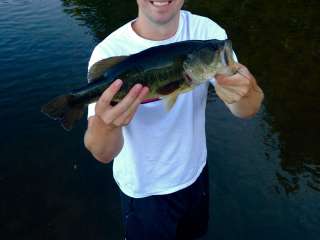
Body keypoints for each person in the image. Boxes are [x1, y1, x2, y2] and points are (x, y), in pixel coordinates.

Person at [84, 0, 264, 239]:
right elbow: (103, 153)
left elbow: (247, 109)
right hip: (144, 193)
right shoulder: (108, 52)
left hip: (195, 176)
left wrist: (246, 90)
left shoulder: (207, 35)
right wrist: (107, 126)